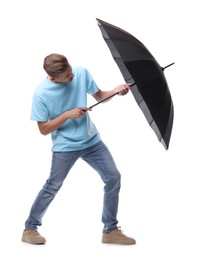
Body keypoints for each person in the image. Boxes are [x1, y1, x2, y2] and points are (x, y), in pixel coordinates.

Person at [22, 53, 136, 245]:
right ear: (54, 77)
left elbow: (99, 96)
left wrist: (116, 91)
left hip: (91, 140)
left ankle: (110, 230)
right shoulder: (41, 93)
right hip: (65, 146)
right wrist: (66, 115)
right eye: (67, 76)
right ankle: (29, 228)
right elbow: (43, 129)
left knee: (113, 177)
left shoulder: (80, 72)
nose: (72, 76)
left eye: (71, 71)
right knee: (53, 186)